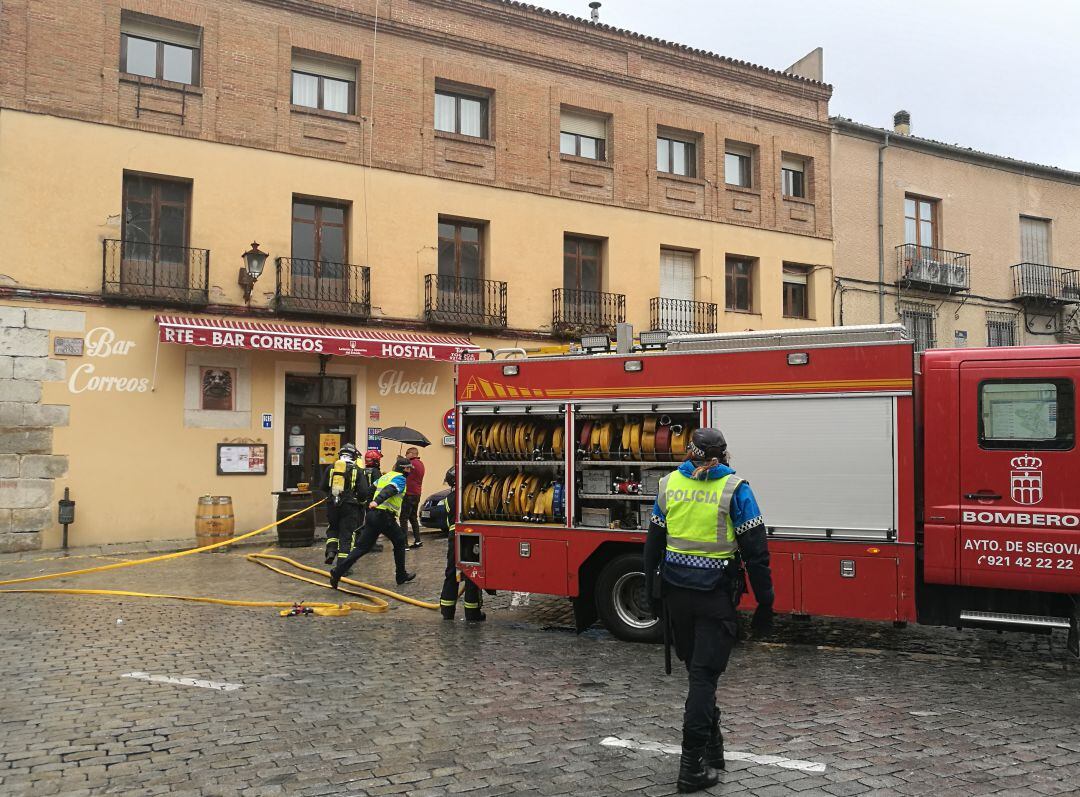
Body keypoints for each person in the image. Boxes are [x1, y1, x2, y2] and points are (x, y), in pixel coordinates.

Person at [644, 427, 774, 794]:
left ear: (690, 452)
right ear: (723, 455)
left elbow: (652, 543)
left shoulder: (669, 484)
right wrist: (766, 603)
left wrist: (652, 594)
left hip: (676, 596)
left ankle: (713, 749)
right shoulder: (736, 489)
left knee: (696, 672)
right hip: (715, 597)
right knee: (703, 678)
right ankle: (690, 769)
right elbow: (757, 553)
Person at [330, 455, 417, 588]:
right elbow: (390, 490)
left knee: (362, 548)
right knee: (400, 540)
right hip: (384, 516)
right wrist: (377, 501)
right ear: (404, 469)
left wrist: (369, 507)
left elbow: (369, 490)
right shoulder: (400, 479)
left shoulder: (385, 476)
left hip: (374, 515)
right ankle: (401, 575)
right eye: (409, 469)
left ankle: (337, 572)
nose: (410, 471)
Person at [438, 467, 485, 622]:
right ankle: (472, 613)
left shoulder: (449, 498)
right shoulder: (472, 495)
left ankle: (447, 611)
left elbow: (447, 521)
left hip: (453, 536)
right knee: (472, 574)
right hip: (471, 537)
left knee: (451, 573)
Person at [320, 443, 369, 565]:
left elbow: (323, 486)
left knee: (333, 529)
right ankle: (343, 565)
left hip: (333, 504)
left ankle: (331, 551)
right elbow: (363, 491)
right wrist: (361, 502)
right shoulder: (357, 470)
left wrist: (332, 496)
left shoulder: (331, 468)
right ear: (353, 456)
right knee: (347, 534)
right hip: (350, 506)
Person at [400, 446, 426, 548]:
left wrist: (399, 462)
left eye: (407, 453)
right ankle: (417, 540)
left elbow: (400, 472)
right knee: (413, 517)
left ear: (411, 454)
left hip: (409, 494)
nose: (406, 455)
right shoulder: (421, 463)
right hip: (417, 494)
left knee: (403, 518)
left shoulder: (411, 463)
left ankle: (404, 544)